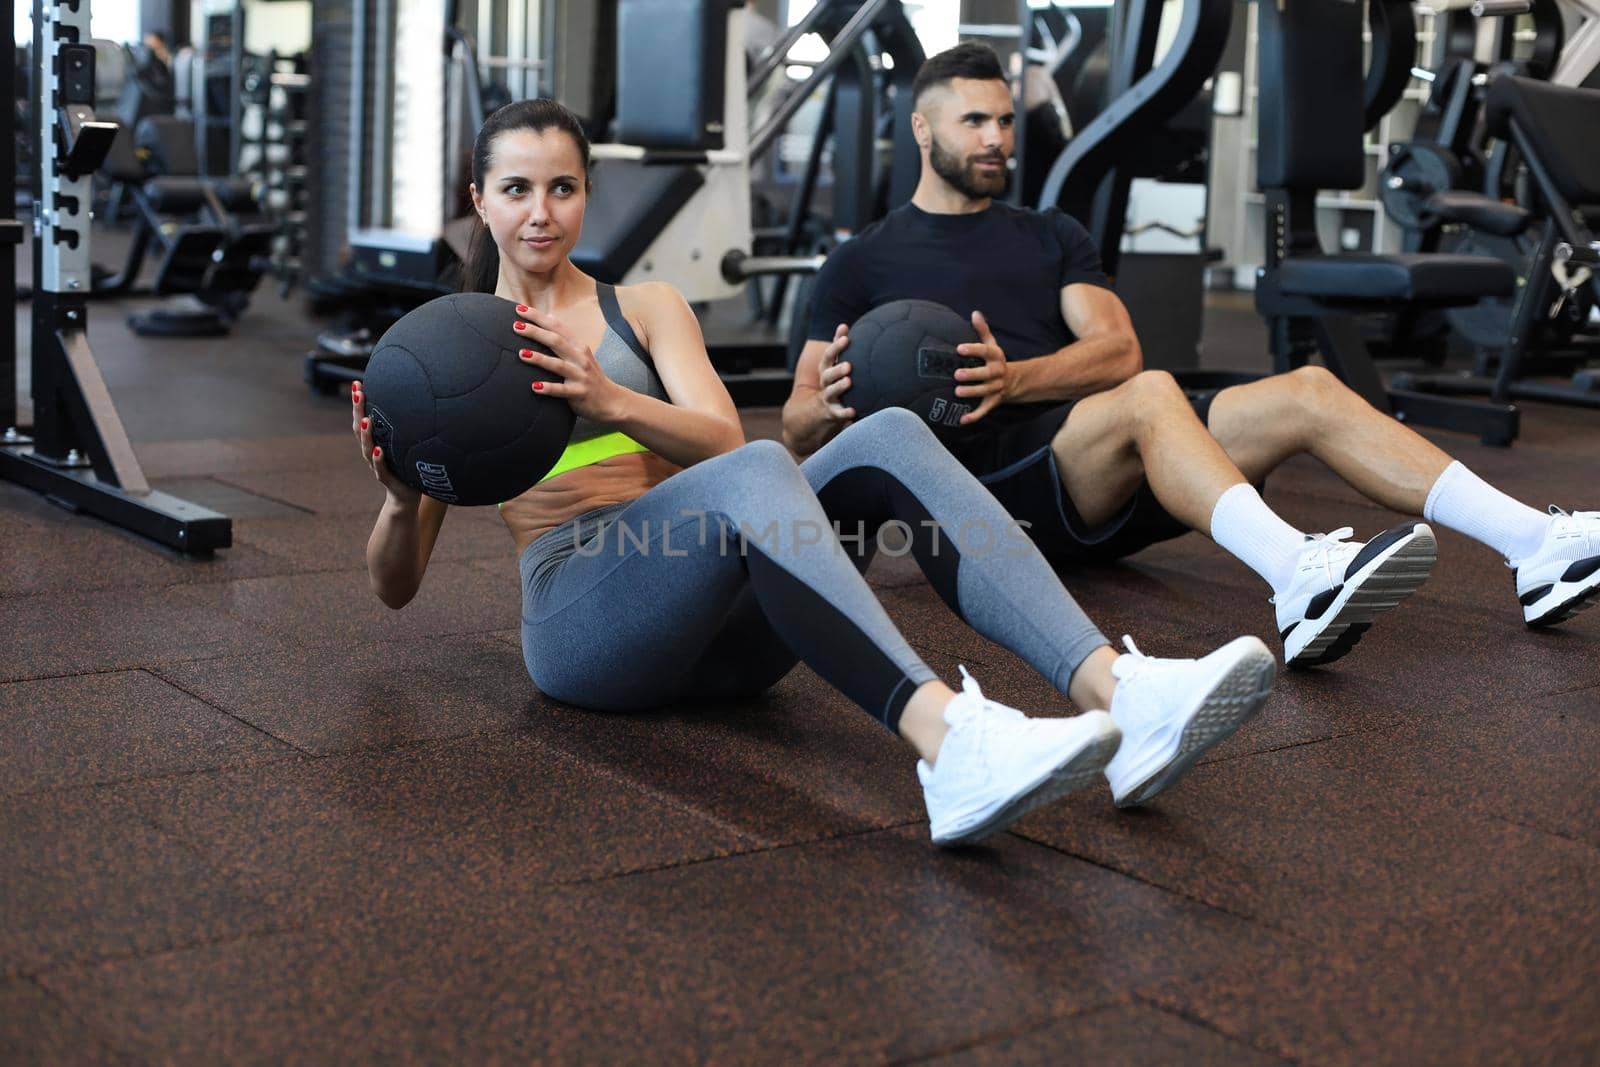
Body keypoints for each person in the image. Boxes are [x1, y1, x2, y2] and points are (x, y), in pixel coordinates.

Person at [352, 99, 1277, 847]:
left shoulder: (646, 307)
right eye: (517, 189)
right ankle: (949, 743)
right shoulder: (456, 354)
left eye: (562, 187)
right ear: (480, 199)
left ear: (587, 193)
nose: (541, 212)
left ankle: (1122, 696)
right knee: (758, 469)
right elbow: (394, 589)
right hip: (587, 627)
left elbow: (723, 443)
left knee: (888, 437)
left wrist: (612, 401)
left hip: (731, 634)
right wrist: (401, 500)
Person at [784, 43, 1600, 666]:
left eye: (1004, 120)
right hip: (985, 493)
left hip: (1086, 452)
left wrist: (1019, 376)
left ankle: (1535, 545)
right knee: (1152, 396)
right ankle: (1296, 578)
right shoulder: (863, 261)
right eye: (975, 122)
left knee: (1306, 390)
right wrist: (822, 407)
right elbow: (793, 423)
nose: (999, 138)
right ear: (924, 129)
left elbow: (1117, 348)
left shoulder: (1050, 235)